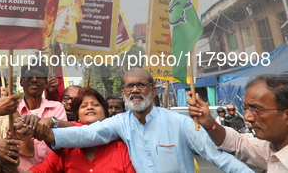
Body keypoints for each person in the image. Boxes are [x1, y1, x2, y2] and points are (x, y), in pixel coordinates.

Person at [39, 67, 253, 172]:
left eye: (140, 85)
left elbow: (219, 158)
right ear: (122, 94)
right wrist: (47, 131)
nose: (135, 91)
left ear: (153, 90)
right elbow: (88, 133)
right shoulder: (121, 122)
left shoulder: (181, 123)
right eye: (129, 87)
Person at [189, 75, 288, 172]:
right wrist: (209, 124)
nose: (247, 117)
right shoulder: (271, 150)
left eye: (257, 109)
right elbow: (237, 143)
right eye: (246, 108)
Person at [26, 88, 135, 172]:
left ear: (106, 115)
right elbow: (41, 170)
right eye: (84, 106)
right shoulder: (67, 149)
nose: (90, 107)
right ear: (77, 117)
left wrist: (43, 127)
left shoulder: (122, 149)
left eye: (95, 105)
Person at [16, 64, 67, 172]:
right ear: (21, 82)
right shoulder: (12, 110)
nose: (34, 80)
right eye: (29, 76)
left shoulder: (56, 108)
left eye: (39, 77)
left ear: (46, 83)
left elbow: (62, 141)